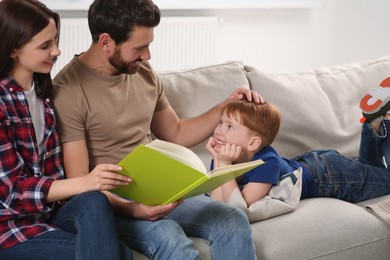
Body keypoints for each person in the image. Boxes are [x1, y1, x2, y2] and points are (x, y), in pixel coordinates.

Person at [52, 0, 262, 259]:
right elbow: (82, 185)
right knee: (169, 237)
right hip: (115, 202)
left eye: (149, 45)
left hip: (161, 188)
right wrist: (136, 210)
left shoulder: (142, 71)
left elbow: (176, 133)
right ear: (106, 41)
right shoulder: (67, 91)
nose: (148, 56)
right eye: (140, 47)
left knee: (231, 218)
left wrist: (225, 107)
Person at [0, 0, 133, 259]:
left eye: (55, 41)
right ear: (13, 49)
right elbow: (12, 192)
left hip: (48, 216)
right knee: (120, 253)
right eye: (45, 46)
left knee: (95, 200)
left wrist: (91, 186)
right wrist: (85, 181)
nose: (57, 51)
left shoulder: (45, 96)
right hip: (10, 229)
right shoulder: (3, 103)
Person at [206, 82, 390, 207]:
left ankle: (387, 121)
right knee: (371, 169)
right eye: (221, 122)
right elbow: (218, 205)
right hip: (313, 164)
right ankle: (372, 123)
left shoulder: (266, 162)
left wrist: (223, 166)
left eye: (229, 126)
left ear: (253, 143)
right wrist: (219, 161)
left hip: (329, 176)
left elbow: (240, 205)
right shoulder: (222, 160)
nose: (219, 130)